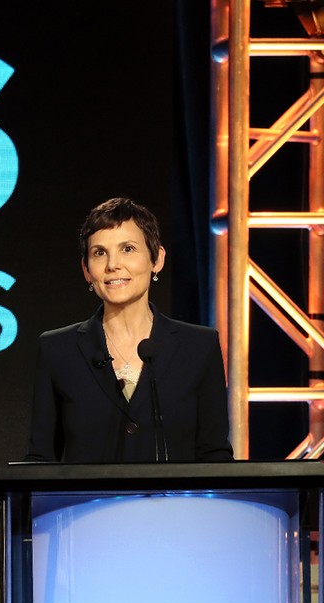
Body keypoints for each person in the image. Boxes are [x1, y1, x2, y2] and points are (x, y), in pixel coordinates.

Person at [25, 197, 232, 462]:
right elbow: (40, 460)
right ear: (87, 270)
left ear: (156, 259)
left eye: (128, 249)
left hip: (175, 504)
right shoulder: (58, 350)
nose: (113, 265)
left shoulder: (199, 347)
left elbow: (214, 454)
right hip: (89, 504)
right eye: (99, 253)